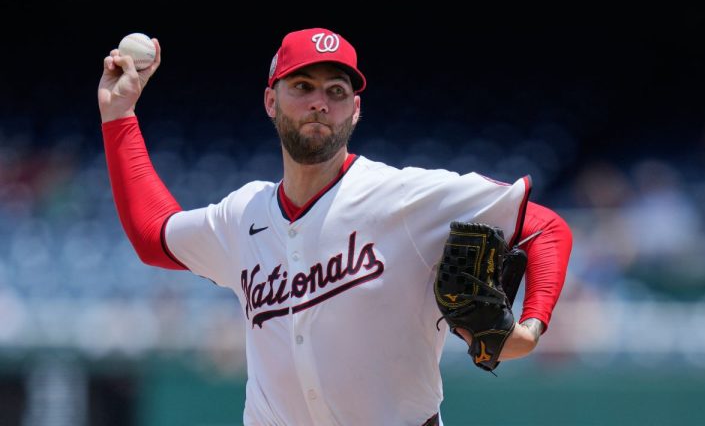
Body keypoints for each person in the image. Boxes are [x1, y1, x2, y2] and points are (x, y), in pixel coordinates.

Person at [98, 27, 573, 426]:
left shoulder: (406, 197)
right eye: (302, 86)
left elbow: (546, 227)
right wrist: (119, 115)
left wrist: (530, 326)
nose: (320, 103)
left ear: (356, 109)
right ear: (270, 100)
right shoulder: (242, 215)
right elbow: (153, 235)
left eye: (336, 91)